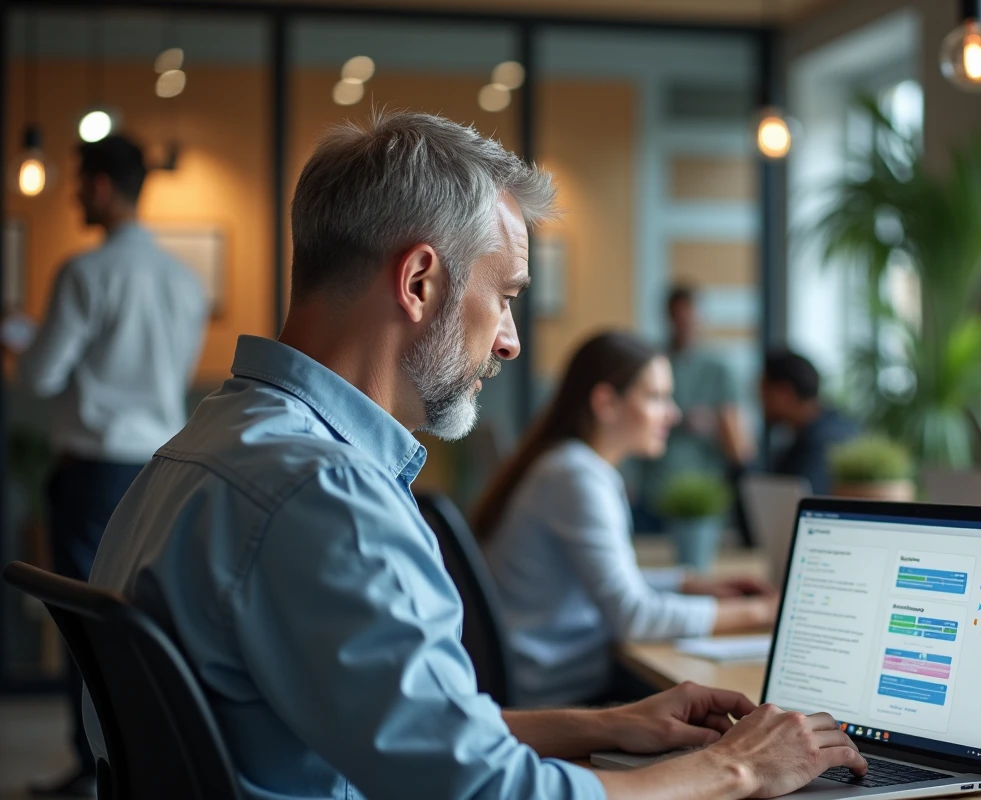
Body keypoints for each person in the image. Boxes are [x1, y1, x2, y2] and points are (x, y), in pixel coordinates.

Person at [82, 112, 865, 800]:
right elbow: (484, 789)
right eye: (509, 295)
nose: (512, 340)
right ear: (420, 281)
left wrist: (616, 724)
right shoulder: (326, 497)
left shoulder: (205, 449)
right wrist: (739, 769)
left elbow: (420, 734)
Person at [8, 135, 207, 798]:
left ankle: (89, 765)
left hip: (92, 470)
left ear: (98, 186)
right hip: (158, 464)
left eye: (76, 184)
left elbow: (41, 375)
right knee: (139, 623)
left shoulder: (85, 273)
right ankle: (128, 761)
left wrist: (18, 336)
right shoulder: (185, 280)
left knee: (84, 623)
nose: (72, 196)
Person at [473, 331, 777, 709]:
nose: (674, 413)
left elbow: (603, 582)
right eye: (657, 397)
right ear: (606, 402)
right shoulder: (577, 476)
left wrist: (687, 583)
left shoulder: (566, 464)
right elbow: (634, 616)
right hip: (559, 697)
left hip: (547, 680)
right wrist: (764, 611)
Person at [633, 286, 754, 533]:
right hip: (653, 492)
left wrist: (712, 425)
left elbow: (741, 449)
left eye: (690, 318)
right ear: (667, 318)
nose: (684, 325)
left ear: (701, 318)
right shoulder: (652, 362)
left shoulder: (720, 370)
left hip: (702, 497)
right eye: (678, 318)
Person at [760, 348, 858, 495]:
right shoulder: (822, 428)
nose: (761, 403)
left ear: (785, 393)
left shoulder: (822, 443)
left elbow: (784, 507)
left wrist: (741, 459)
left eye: (765, 394)